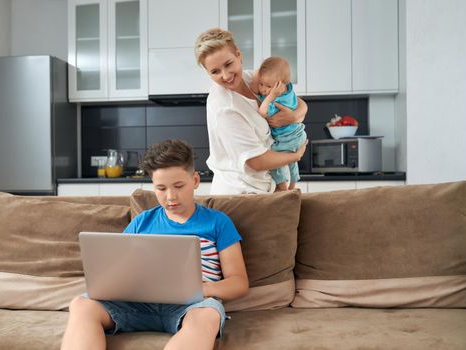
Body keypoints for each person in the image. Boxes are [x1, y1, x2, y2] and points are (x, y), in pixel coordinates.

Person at [60, 139, 249, 350]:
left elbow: (239, 282)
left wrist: (203, 289)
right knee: (81, 304)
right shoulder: (142, 222)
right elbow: (117, 271)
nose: (170, 197)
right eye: (161, 188)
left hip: (192, 306)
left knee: (208, 316)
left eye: (179, 186)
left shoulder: (218, 222)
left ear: (195, 180)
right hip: (137, 306)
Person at [194, 28, 308, 194]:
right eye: (215, 71)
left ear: (238, 55)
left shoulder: (250, 79)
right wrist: (295, 156)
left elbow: (298, 102)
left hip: (263, 191)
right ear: (207, 72)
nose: (225, 76)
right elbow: (256, 161)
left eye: (228, 64)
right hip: (241, 195)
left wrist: (294, 116)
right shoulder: (224, 107)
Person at [253, 56, 307, 191]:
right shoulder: (288, 91)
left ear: (280, 86)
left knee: (274, 159)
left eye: (268, 86)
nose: (263, 90)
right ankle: (294, 183)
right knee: (291, 160)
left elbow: (262, 113)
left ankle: (281, 184)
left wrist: (270, 97)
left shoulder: (276, 101)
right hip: (298, 134)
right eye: (261, 84)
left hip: (287, 138)